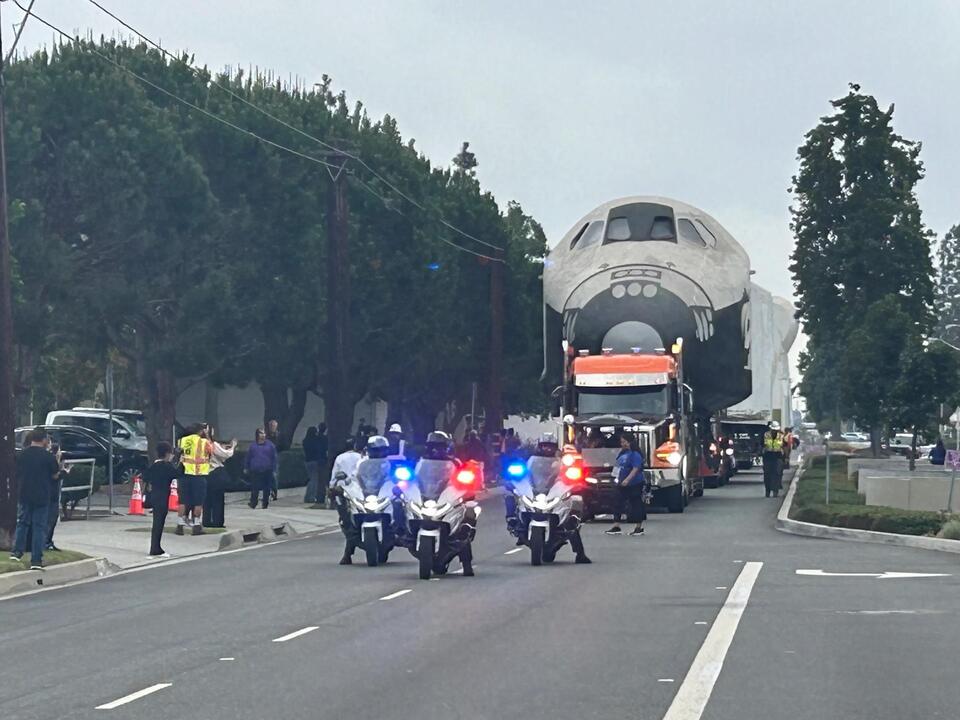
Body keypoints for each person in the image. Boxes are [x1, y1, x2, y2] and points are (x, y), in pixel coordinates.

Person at [10, 429, 61, 569]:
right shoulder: (48, 457)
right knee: (39, 527)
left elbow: (17, 472)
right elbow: (55, 474)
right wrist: (58, 462)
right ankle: (36, 560)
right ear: (44, 440)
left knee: (22, 523)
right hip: (42, 495)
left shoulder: (21, 455)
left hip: (24, 493)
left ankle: (16, 552)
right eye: (47, 440)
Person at [605, 433, 647, 536]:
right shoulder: (622, 453)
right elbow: (618, 466)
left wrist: (627, 480)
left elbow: (635, 469)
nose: (622, 443)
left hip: (634, 483)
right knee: (617, 502)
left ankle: (638, 527)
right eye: (622, 441)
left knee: (635, 504)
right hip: (621, 482)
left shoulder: (635, 454)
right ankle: (616, 525)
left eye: (624, 441)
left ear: (630, 442)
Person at [144, 441, 179, 558]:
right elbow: (177, 474)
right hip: (162, 497)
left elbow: (146, 476)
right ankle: (155, 548)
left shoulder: (154, 465)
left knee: (156, 522)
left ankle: (155, 546)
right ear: (167, 454)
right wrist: (181, 462)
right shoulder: (166, 466)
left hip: (154, 495)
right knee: (159, 523)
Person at [177, 424, 212, 535]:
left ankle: (179, 525)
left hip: (184, 474)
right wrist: (208, 436)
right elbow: (212, 450)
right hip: (198, 475)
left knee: (183, 501)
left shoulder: (182, 440)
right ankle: (196, 526)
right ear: (201, 431)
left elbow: (179, 451)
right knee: (198, 502)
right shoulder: (204, 442)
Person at [206, 428, 236, 527]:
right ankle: (217, 522)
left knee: (207, 500)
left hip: (204, 473)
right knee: (218, 500)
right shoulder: (212, 444)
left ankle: (206, 521)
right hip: (215, 473)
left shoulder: (200, 444)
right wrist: (232, 446)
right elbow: (226, 455)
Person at [246, 428, 279, 509]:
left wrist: (274, 469)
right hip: (255, 470)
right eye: (261, 433)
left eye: (264, 433)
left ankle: (265, 503)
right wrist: (246, 467)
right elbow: (248, 457)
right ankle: (253, 503)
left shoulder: (270, 445)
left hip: (267, 469)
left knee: (266, 488)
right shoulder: (253, 446)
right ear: (257, 435)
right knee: (254, 487)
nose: (263, 435)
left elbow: (274, 458)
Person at [762, 421, 785, 497]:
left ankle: (775, 491)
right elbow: (762, 444)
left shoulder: (781, 436)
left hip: (778, 457)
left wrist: (785, 457)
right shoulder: (766, 435)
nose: (775, 431)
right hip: (768, 457)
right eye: (773, 429)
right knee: (767, 474)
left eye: (776, 430)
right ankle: (767, 491)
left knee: (777, 474)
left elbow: (785, 446)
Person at [303, 425, 323, 504]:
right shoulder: (315, 441)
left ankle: (308, 496)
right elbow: (318, 450)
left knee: (311, 479)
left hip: (307, 461)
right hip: (314, 461)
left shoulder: (305, 441)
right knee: (314, 480)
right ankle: (310, 497)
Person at [266, 419, 282, 500]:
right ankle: (268, 493)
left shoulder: (278, 436)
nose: (272, 427)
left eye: (274, 426)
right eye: (271, 426)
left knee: (274, 476)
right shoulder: (266, 436)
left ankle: (274, 493)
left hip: (274, 458)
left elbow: (282, 445)